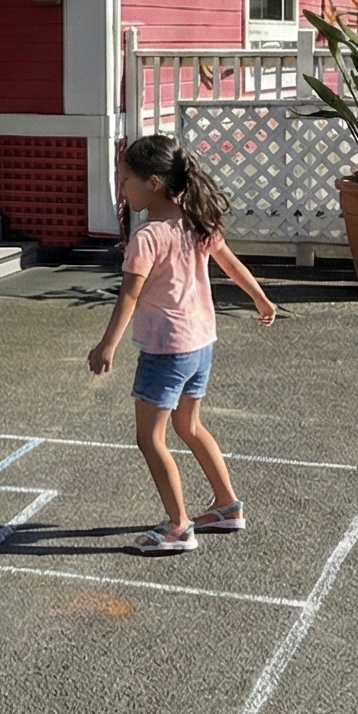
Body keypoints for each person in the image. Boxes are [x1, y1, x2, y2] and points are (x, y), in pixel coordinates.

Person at [87, 134, 277, 556]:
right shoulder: (196, 221)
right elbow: (231, 264)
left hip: (166, 350)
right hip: (200, 345)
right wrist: (261, 298)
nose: (122, 188)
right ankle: (227, 505)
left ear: (153, 183)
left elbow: (130, 295)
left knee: (149, 438)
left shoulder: (148, 236)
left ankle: (178, 526)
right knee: (188, 426)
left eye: (126, 179)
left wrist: (107, 344)